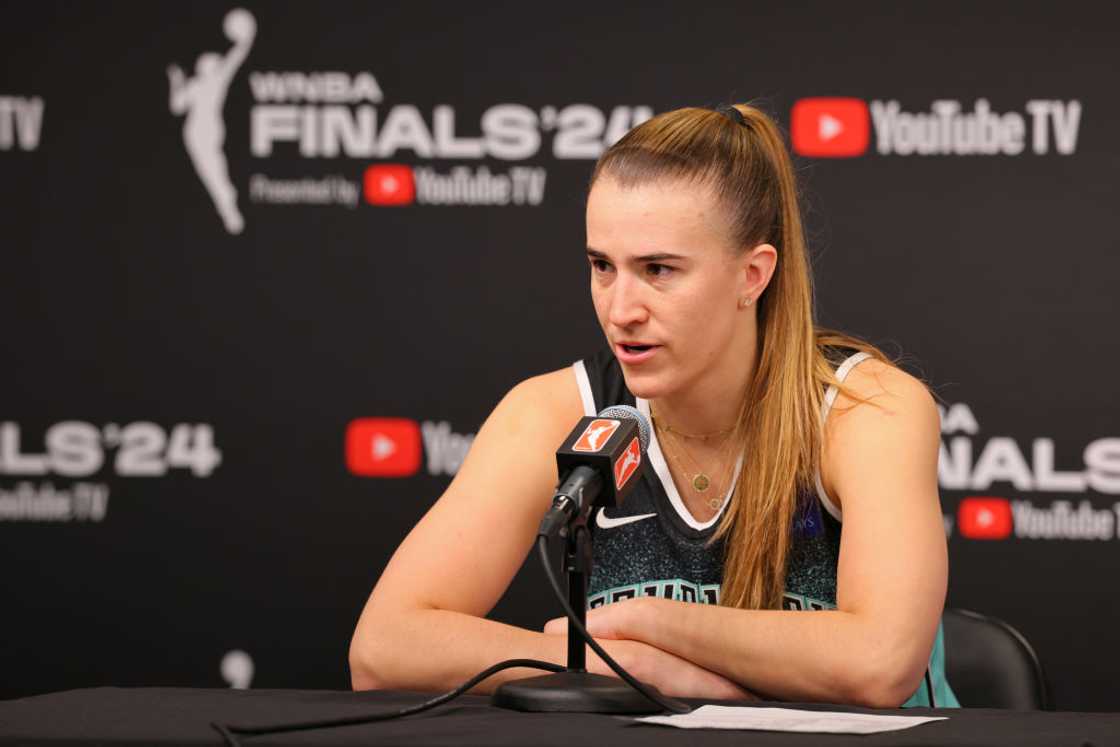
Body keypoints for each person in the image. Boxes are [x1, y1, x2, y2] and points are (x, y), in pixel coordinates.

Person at [349, 103, 958, 708]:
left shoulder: (866, 410)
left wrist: (653, 631)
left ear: (753, 274)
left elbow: (880, 663)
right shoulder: (553, 410)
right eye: (602, 267)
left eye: (659, 270)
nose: (621, 310)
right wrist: (617, 668)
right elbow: (384, 647)